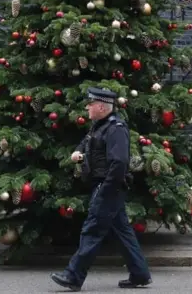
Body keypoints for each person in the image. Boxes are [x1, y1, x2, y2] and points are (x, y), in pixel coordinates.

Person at [50, 87, 152, 291]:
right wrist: (78, 152)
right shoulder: (99, 126)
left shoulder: (116, 128)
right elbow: (87, 143)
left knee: (92, 230)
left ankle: (73, 276)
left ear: (101, 107)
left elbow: (119, 163)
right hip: (106, 186)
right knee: (123, 232)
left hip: (108, 186)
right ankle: (140, 274)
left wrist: (105, 190)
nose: (87, 107)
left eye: (90, 104)